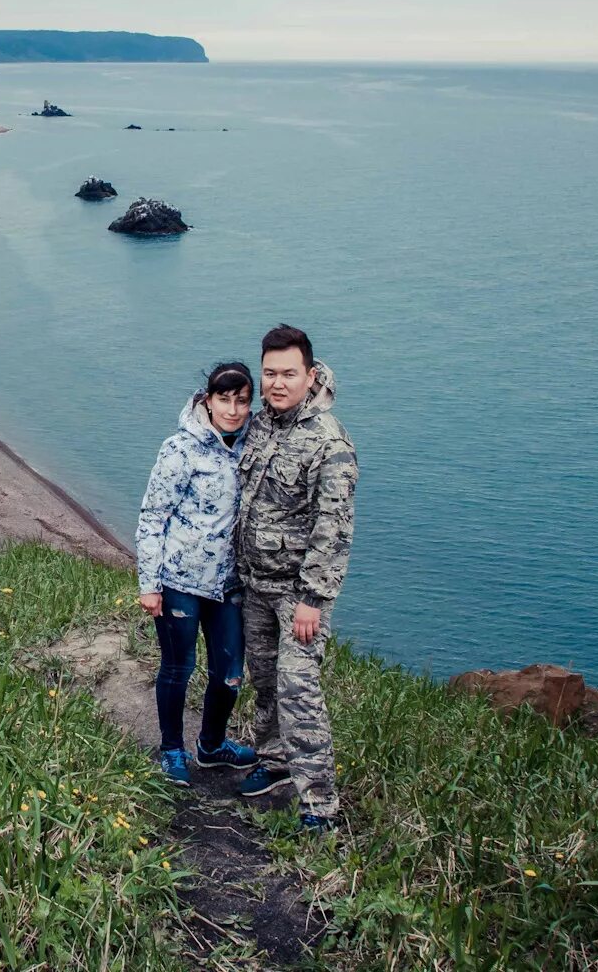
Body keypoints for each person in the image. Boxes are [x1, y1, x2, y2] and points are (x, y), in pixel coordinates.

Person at [232, 324, 357, 832]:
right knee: (264, 681)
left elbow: (335, 527)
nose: (277, 383)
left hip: (299, 597)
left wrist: (312, 598)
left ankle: (320, 803)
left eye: (288, 373)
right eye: (270, 373)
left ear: (311, 374)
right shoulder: (262, 423)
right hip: (254, 585)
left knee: (298, 689)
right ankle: (275, 761)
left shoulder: (330, 443)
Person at [135, 361, 262, 786]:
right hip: (179, 582)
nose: (232, 409)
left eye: (242, 401)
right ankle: (172, 749)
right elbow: (153, 516)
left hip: (228, 584)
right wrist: (149, 584)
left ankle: (211, 746)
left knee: (229, 674)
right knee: (178, 668)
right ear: (207, 401)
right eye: (224, 399)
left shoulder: (254, 444)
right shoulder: (180, 449)